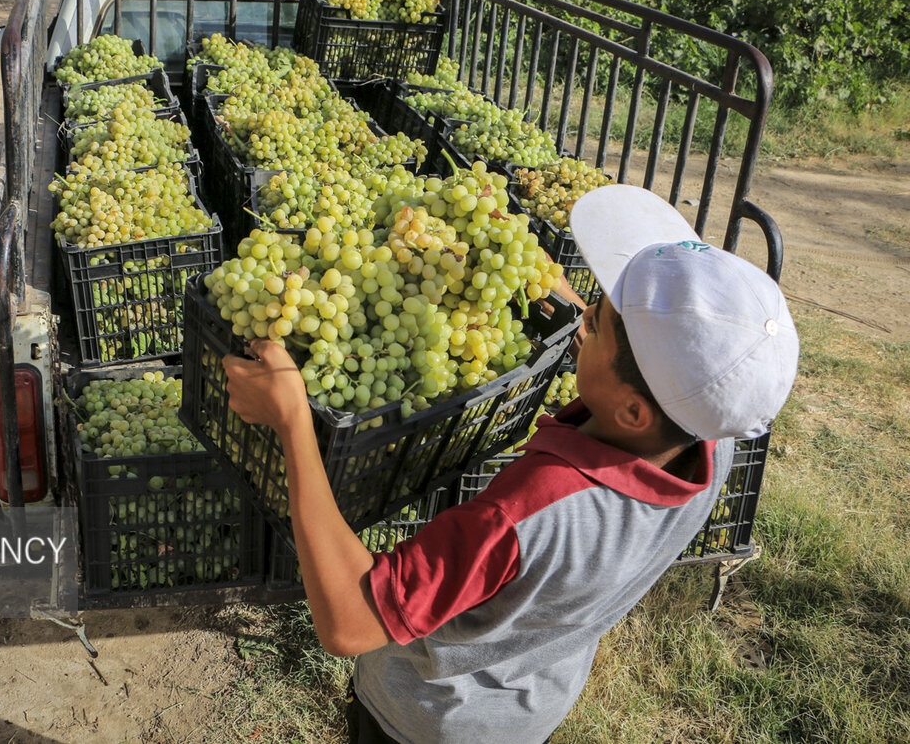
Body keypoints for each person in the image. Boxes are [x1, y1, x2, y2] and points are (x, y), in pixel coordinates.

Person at [223, 184, 799, 744]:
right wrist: (569, 301)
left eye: (596, 324)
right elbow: (637, 379)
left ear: (633, 410)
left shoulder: (529, 512)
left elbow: (349, 622)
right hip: (529, 710)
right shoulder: (707, 443)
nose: (586, 316)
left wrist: (293, 421)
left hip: (423, 721)